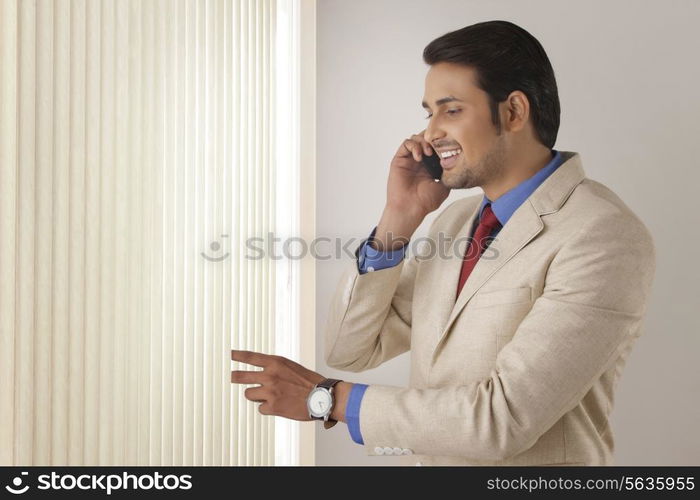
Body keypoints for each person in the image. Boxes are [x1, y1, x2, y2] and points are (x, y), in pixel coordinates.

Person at [230, 20, 656, 466]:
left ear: (513, 112)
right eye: (428, 112)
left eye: (450, 110)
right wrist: (398, 219)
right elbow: (350, 350)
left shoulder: (602, 234)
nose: (430, 132)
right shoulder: (455, 222)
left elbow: (501, 420)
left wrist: (329, 400)